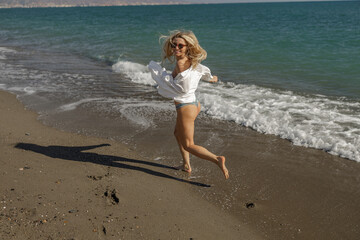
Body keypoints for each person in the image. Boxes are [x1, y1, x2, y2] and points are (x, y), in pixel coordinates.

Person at [148, 30, 229, 179]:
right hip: (194, 104)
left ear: (187, 47)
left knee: (189, 145)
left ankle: (217, 159)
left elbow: (182, 86)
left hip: (186, 108)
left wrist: (164, 78)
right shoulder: (193, 61)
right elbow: (199, 73)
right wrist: (211, 78)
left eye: (180, 45)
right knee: (177, 134)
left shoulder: (181, 63)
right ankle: (186, 165)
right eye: (174, 45)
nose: (176, 48)